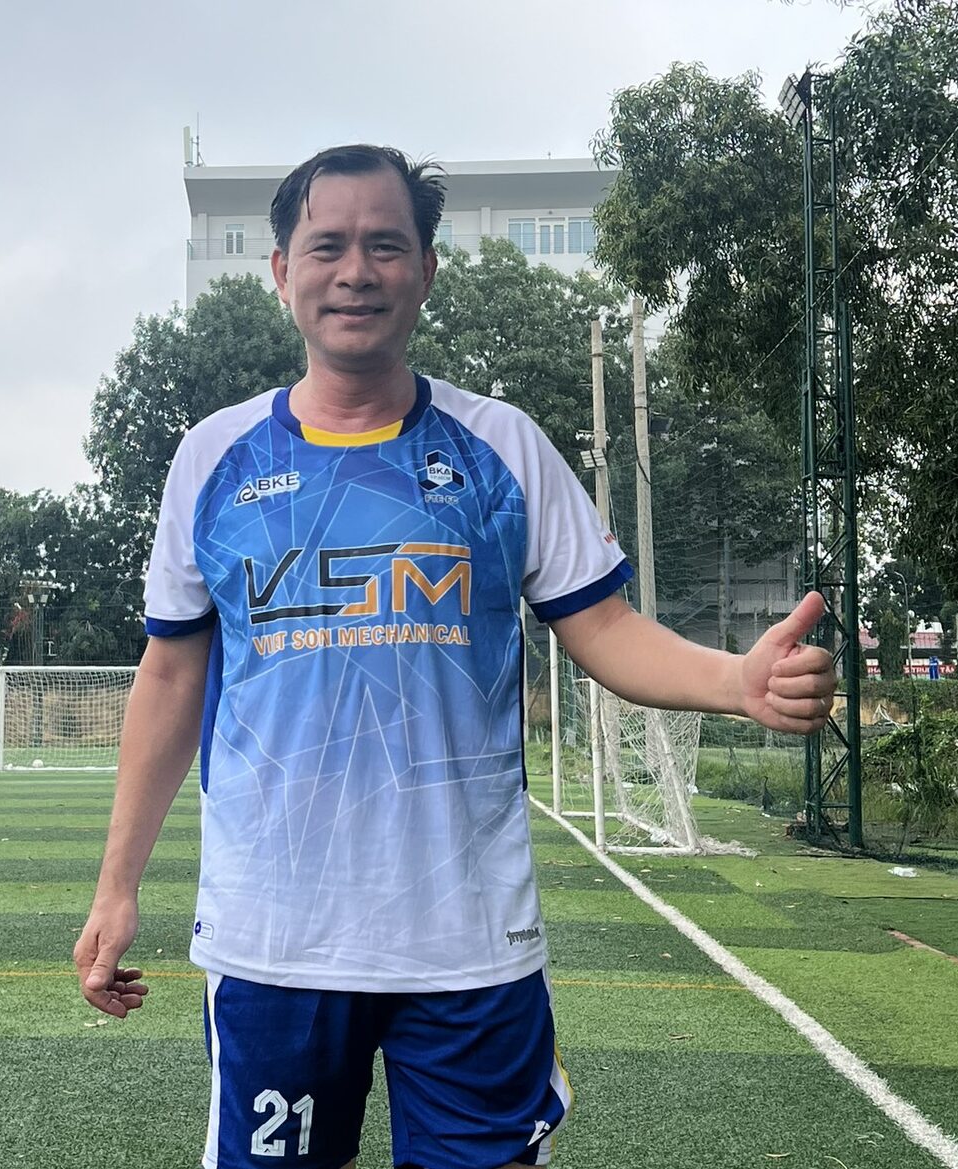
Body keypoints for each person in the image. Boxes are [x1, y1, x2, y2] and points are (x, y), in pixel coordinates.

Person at [74, 144, 836, 1169]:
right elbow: (171, 673)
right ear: (281, 271)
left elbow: (604, 627)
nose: (355, 271)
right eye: (327, 246)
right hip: (273, 940)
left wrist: (734, 680)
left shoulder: (500, 447)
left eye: (385, 245)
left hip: (468, 941)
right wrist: (116, 886)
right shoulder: (214, 457)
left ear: (426, 269)